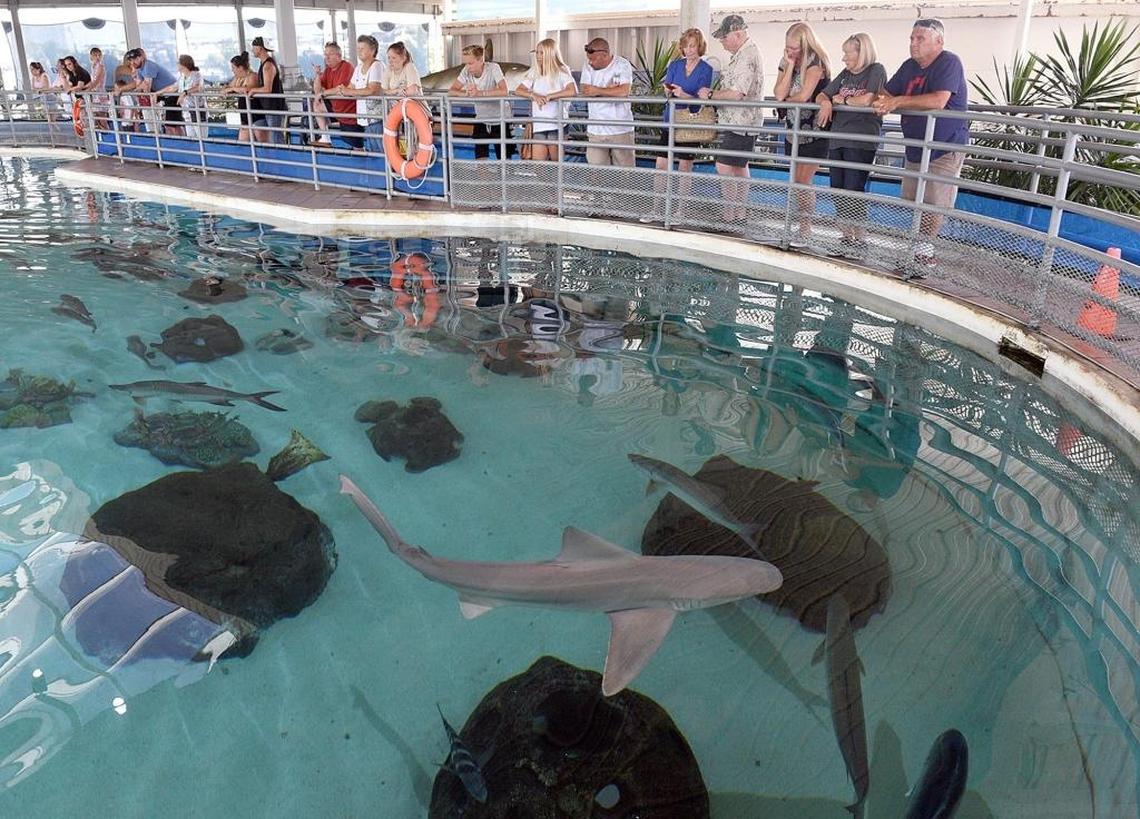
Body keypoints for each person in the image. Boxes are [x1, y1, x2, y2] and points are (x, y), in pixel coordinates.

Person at [872, 18, 969, 272]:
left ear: (938, 41)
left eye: (919, 39)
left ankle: (924, 253)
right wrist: (885, 101)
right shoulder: (909, 67)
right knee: (914, 198)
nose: (913, 44)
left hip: (944, 146)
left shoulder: (949, 62)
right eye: (912, 38)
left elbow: (939, 100)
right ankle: (917, 248)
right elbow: (887, 93)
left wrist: (897, 102)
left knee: (934, 200)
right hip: (916, 146)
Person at [815, 33, 887, 256]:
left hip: (861, 140)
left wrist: (843, 100)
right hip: (838, 138)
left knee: (854, 188)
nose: (844, 58)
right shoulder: (845, 74)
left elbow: (867, 100)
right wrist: (827, 102)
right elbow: (822, 95)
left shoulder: (876, 70)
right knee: (837, 187)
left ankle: (860, 238)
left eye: (848, 53)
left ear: (861, 52)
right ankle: (846, 237)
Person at [698, 15, 763, 226]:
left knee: (724, 166)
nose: (722, 43)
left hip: (742, 123)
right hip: (740, 122)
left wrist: (710, 95)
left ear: (737, 34)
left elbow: (737, 93)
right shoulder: (742, 53)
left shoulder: (747, 56)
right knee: (738, 168)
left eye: (724, 38)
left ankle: (730, 215)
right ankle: (738, 214)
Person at [648, 27, 714, 221]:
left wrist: (683, 95)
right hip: (670, 121)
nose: (689, 50)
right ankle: (656, 209)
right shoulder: (675, 66)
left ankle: (680, 212)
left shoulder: (706, 69)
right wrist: (668, 91)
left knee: (685, 167)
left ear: (699, 46)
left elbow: (702, 98)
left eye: (693, 46)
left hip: (690, 123)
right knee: (661, 165)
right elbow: (667, 90)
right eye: (686, 46)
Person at [773, 22, 831, 243]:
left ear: (806, 45)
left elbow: (803, 96)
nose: (790, 52)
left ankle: (805, 228)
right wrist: (788, 66)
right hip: (793, 130)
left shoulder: (816, 62)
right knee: (796, 180)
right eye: (787, 47)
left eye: (795, 48)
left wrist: (787, 100)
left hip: (814, 131)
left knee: (803, 180)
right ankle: (799, 225)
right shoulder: (786, 60)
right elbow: (779, 94)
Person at [514, 39, 577, 162]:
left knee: (555, 162)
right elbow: (519, 90)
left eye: (541, 53)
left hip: (556, 123)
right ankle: (548, 182)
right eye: (537, 53)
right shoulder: (535, 71)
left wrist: (550, 96)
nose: (538, 56)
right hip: (539, 123)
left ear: (550, 53)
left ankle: (555, 181)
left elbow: (571, 90)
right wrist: (534, 95)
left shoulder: (562, 71)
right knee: (538, 164)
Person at [448, 43, 512, 160]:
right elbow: (452, 91)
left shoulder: (493, 68)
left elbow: (504, 91)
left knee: (504, 162)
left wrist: (480, 94)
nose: (468, 67)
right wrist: (466, 93)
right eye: (466, 63)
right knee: (480, 162)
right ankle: (484, 178)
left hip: (501, 119)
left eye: (471, 63)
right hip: (481, 119)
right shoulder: (466, 71)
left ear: (481, 60)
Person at [579, 38, 634, 168]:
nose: (590, 62)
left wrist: (597, 90)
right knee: (597, 171)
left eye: (593, 59)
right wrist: (610, 90)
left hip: (621, 128)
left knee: (625, 173)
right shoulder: (587, 66)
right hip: (596, 129)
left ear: (604, 55)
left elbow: (623, 91)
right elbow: (585, 90)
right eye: (589, 59)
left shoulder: (622, 64)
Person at [326, 35, 384, 151]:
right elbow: (349, 88)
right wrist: (328, 92)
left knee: (382, 150)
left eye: (362, 49)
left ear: (372, 50)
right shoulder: (358, 68)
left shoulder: (377, 66)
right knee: (373, 150)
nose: (359, 51)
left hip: (377, 118)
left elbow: (372, 89)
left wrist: (348, 91)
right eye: (358, 49)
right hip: (365, 118)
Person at [119, 48, 177, 134]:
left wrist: (137, 89)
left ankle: (177, 142)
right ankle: (156, 132)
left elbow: (146, 87)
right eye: (131, 60)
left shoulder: (148, 66)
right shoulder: (139, 69)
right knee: (169, 124)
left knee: (172, 125)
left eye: (135, 59)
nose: (133, 62)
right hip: (162, 94)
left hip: (172, 93)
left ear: (141, 58)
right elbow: (139, 85)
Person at [310, 42, 355, 147]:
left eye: (330, 54)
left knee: (356, 145)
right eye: (325, 54)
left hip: (348, 111)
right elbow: (317, 91)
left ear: (339, 56)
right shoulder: (328, 70)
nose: (327, 57)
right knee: (316, 104)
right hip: (335, 108)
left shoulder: (346, 67)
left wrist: (323, 93)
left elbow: (340, 88)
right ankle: (325, 138)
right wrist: (317, 75)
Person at [247, 36, 286, 143]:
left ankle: (280, 156)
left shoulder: (268, 65)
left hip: (274, 107)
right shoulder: (264, 64)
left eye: (254, 48)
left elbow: (267, 89)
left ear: (260, 48)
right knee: (271, 135)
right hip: (268, 106)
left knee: (275, 136)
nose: (252, 50)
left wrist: (253, 90)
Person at [157, 55, 203, 138]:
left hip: (197, 110)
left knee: (201, 137)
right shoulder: (182, 78)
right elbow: (172, 87)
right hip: (187, 112)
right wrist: (157, 93)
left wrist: (184, 93)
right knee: (191, 137)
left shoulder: (196, 75)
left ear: (184, 64)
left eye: (178, 63)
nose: (177, 65)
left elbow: (197, 87)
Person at [222, 52, 257, 142]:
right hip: (245, 116)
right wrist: (228, 89)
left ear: (240, 68)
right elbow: (228, 87)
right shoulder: (237, 78)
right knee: (243, 143)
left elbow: (247, 89)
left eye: (233, 68)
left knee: (263, 143)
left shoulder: (252, 76)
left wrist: (232, 89)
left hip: (256, 115)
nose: (232, 70)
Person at [87, 47, 109, 128]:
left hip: (100, 93)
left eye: (99, 55)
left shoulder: (100, 66)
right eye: (95, 55)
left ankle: (107, 133)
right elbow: (93, 81)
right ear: (91, 56)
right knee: (96, 116)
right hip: (95, 93)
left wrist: (88, 90)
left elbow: (97, 81)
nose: (98, 57)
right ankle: (102, 134)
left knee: (102, 115)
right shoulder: (93, 66)